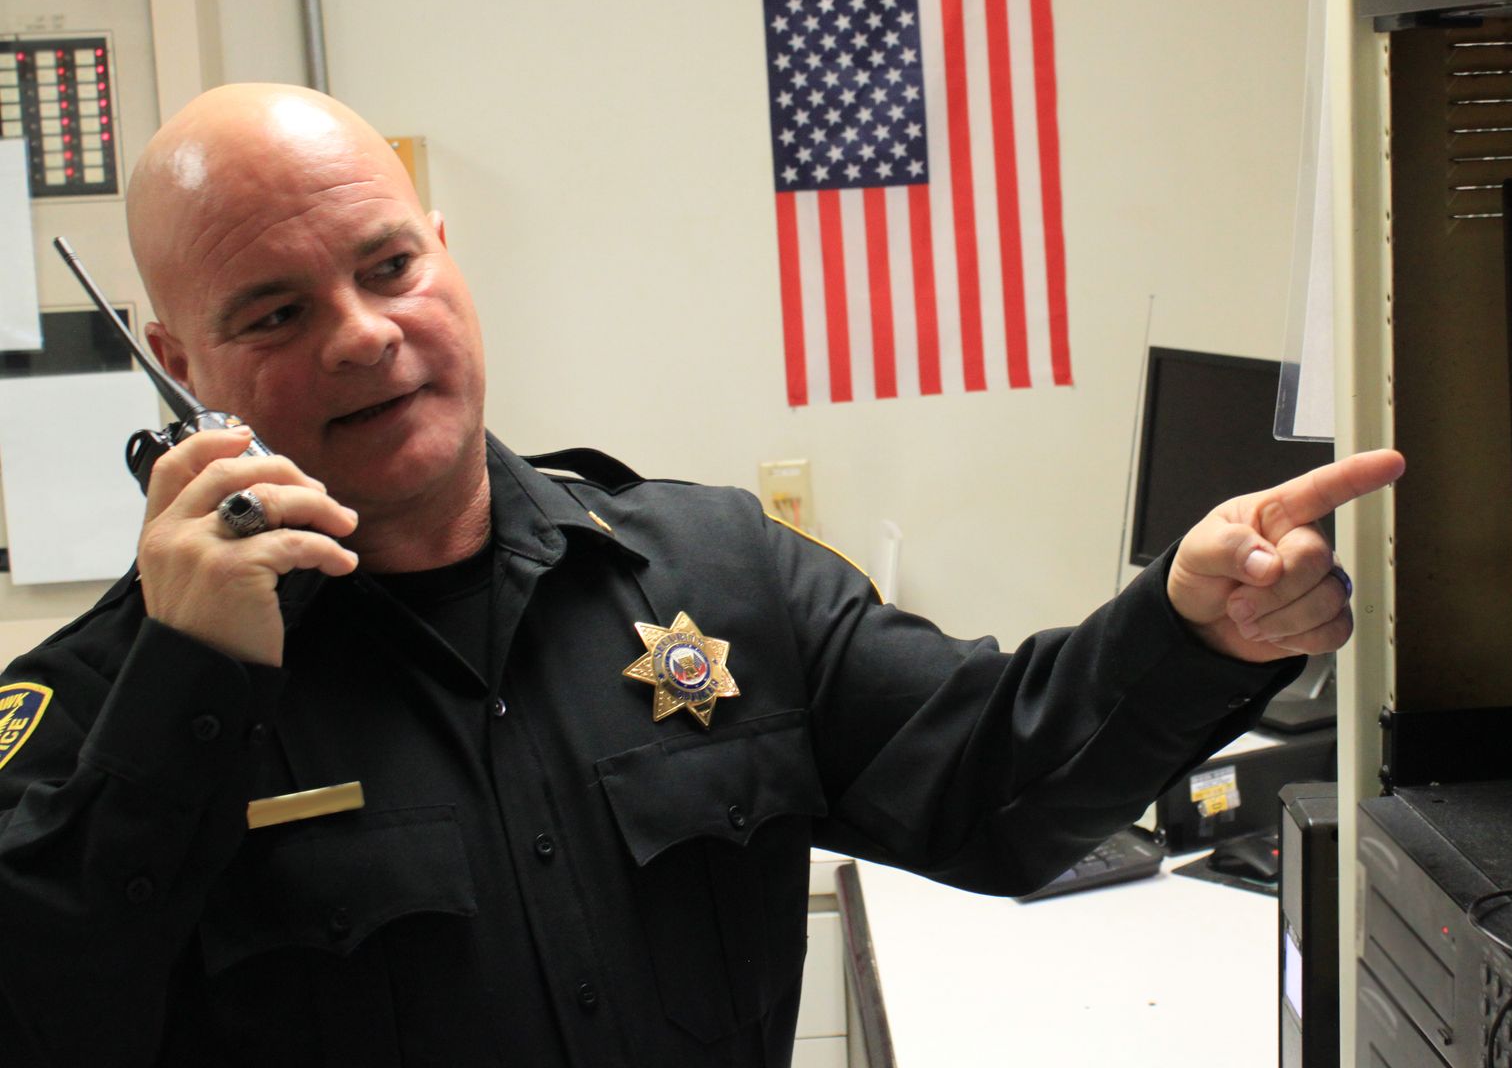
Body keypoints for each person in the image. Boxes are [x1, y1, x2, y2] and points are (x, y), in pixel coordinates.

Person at [0, 84, 1404, 1067]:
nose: (366, 337)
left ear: (449, 255)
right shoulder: (99, 708)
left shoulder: (710, 573)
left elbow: (994, 784)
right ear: (177, 365)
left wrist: (1192, 629)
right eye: (276, 312)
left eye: (388, 264)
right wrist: (189, 689)